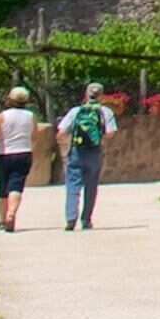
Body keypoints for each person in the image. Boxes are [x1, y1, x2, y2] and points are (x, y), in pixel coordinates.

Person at [59, 83, 114, 230]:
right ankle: (86, 219)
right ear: (101, 95)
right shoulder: (105, 112)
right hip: (94, 152)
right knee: (91, 186)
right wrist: (98, 136)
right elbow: (110, 133)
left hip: (76, 150)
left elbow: (62, 131)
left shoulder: (76, 111)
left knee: (72, 185)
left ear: (86, 94)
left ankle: (71, 218)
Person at [0, 87, 37, 233]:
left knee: (2, 187)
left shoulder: (1, 116)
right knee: (17, 185)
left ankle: (2, 219)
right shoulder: (31, 116)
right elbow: (34, 136)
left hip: (4, 154)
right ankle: (12, 213)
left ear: (10, 99)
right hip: (23, 153)